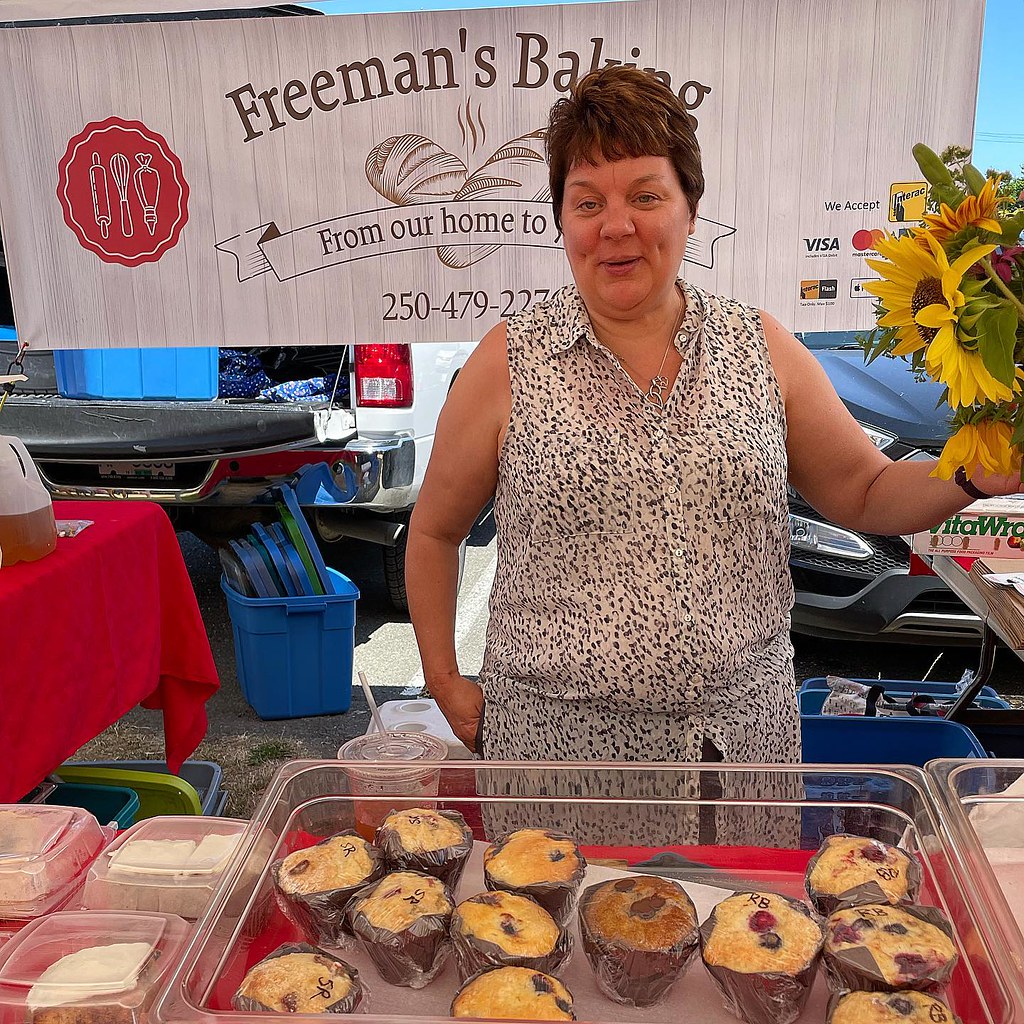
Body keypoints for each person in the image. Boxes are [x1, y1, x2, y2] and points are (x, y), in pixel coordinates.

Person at [404, 67, 1019, 834]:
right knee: (559, 947)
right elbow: (433, 532)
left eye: (646, 195)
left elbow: (865, 492)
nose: (615, 225)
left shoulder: (761, 348)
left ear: (691, 209)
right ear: (561, 219)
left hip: (735, 756)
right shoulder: (508, 361)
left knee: (745, 941)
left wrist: (968, 472)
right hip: (558, 763)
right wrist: (442, 677)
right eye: (587, 201)